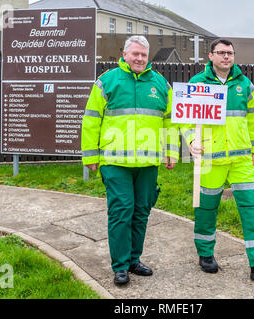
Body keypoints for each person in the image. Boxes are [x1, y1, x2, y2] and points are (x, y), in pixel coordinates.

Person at [180, 39, 254, 281]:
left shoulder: (245, 85)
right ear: (211, 56)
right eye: (221, 53)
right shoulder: (197, 83)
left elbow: (252, 119)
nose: (226, 57)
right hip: (210, 159)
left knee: (251, 209)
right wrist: (191, 140)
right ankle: (205, 254)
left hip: (241, 159)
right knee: (206, 209)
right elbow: (185, 119)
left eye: (230, 53)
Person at [81, 36, 179, 285]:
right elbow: (91, 119)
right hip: (115, 162)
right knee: (121, 211)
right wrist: (90, 155)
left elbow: (169, 121)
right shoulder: (107, 81)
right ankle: (121, 266)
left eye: (144, 55)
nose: (139, 58)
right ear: (124, 55)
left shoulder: (160, 83)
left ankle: (134, 260)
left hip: (148, 164)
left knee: (141, 211)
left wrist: (172, 151)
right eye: (135, 54)